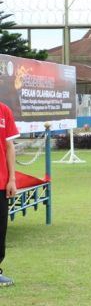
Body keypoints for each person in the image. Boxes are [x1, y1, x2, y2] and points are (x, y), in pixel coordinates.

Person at [0, 101, 19, 288]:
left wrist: (12, 179)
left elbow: (9, 146)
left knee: (0, 229)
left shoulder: (4, 110)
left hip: (1, 182)